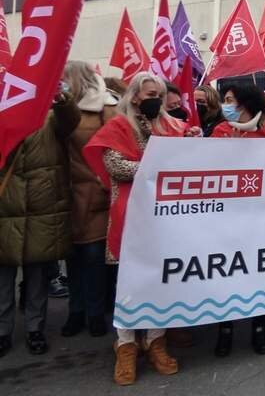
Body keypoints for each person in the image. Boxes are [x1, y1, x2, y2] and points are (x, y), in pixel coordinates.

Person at [83, 72, 198, 386]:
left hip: (165, 215)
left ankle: (156, 341)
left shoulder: (174, 126)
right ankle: (126, 345)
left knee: (160, 278)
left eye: (159, 94)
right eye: (150, 93)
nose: (156, 100)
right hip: (130, 213)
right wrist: (156, 160)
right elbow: (116, 166)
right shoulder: (118, 126)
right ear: (134, 96)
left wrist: (192, 143)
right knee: (130, 282)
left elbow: (187, 162)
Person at [208, 84, 265, 355]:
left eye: (229, 100)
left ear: (246, 103)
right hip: (229, 214)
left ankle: (259, 329)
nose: (225, 105)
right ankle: (225, 329)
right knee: (227, 271)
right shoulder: (221, 132)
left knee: (260, 271)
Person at [0, 86, 79, 357]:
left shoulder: (47, 121)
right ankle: (2, 331)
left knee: (37, 278)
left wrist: (61, 98)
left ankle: (35, 329)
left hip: (43, 211)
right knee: (3, 278)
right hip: (5, 212)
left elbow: (71, 122)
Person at [61, 62, 118, 339]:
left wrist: (103, 181)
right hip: (65, 194)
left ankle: (94, 313)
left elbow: (115, 147)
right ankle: (76, 310)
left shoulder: (106, 107)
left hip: (96, 193)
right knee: (72, 258)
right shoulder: (57, 109)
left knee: (94, 257)